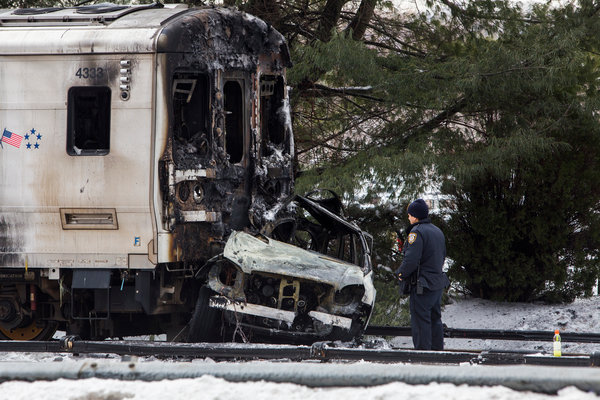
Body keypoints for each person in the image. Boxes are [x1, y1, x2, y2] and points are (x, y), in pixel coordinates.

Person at [395, 199, 449, 350]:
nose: (408, 217)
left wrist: (401, 273)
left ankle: (423, 357)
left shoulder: (416, 232)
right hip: (437, 284)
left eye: (410, 214)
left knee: (421, 322)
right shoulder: (437, 231)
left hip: (422, 285)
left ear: (416, 216)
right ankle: (438, 353)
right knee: (435, 320)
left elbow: (411, 259)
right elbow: (442, 256)